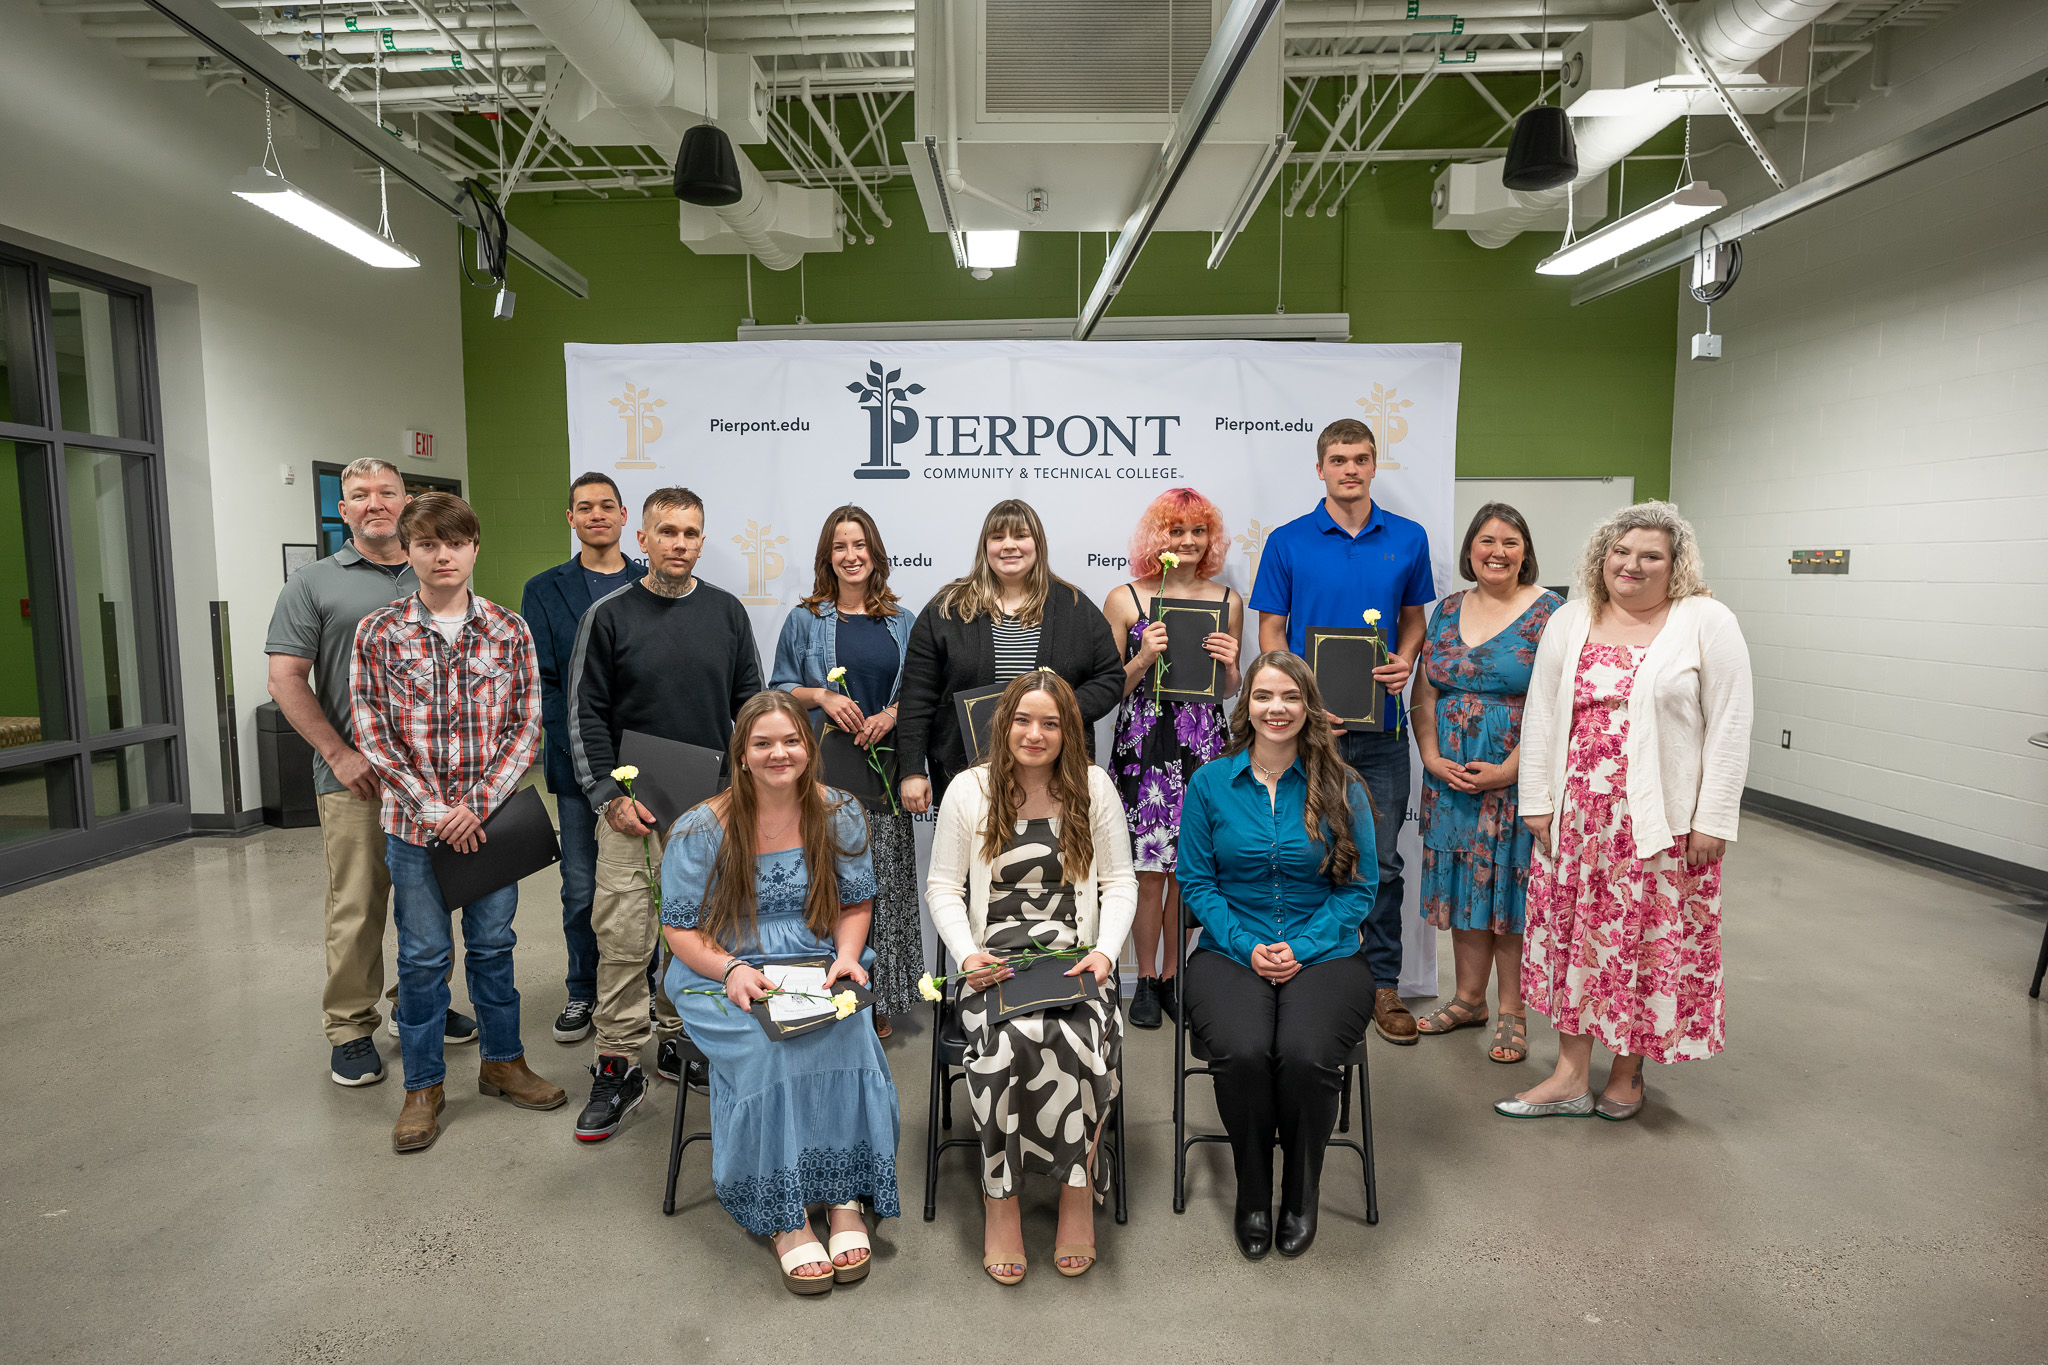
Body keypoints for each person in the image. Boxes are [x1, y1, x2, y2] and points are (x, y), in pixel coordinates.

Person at [1504, 500, 1753, 1121]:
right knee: (1578, 942)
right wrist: (1536, 798)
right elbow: (1540, 714)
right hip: (1578, 823)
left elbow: (1730, 724)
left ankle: (1626, 1069)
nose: (1632, 565)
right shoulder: (1571, 619)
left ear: (1676, 566)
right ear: (1602, 556)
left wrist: (1712, 818)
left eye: (1651, 556)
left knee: (1643, 943)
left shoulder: (1706, 621)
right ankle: (1567, 1074)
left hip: (1661, 826)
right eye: (1621, 551)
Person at [659, 690, 899, 1296]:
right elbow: (680, 929)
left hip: (817, 956)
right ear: (741, 754)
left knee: (849, 1027)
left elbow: (855, 903)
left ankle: (842, 1193)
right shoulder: (699, 827)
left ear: (809, 747)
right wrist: (731, 969)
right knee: (770, 1048)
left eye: (791, 740)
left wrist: (847, 956)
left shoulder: (840, 812)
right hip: (721, 968)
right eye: (762, 743)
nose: (778, 753)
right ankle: (786, 1216)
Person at [349, 493, 567, 1152]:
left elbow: (527, 725)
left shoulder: (508, 629)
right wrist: (436, 808)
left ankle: (503, 1062)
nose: (443, 556)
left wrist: (478, 802)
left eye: (456, 543)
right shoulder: (379, 631)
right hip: (416, 828)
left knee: (494, 948)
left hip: (491, 824)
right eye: (428, 544)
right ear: (408, 551)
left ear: (475, 547)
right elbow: (372, 728)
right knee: (420, 959)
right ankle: (423, 1086)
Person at [265, 456, 476, 1088]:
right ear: (343, 508)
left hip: (436, 781)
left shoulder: (435, 568)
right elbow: (285, 677)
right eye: (360, 495)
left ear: (407, 501)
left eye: (388, 492)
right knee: (358, 904)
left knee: (430, 905)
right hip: (358, 781)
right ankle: (351, 1025)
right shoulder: (313, 586)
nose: (375, 503)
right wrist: (338, 752)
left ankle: (419, 1006)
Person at [566, 486, 764, 1142]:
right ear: (642, 539)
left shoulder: (727, 613)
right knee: (625, 935)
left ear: (702, 540)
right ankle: (619, 1061)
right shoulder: (610, 614)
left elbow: (752, 708)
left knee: (703, 933)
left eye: (692, 533)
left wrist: (743, 792)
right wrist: (609, 797)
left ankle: (684, 1041)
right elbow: (584, 713)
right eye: (668, 532)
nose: (680, 543)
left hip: (708, 811)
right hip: (630, 808)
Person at [924, 670, 1135, 1284]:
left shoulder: (1094, 789)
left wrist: (1106, 955)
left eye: (1050, 723)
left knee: (1082, 1038)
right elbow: (943, 887)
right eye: (1023, 720)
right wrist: (966, 955)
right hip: (994, 962)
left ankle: (1077, 1193)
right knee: (1004, 1047)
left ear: (1070, 730)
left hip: (1078, 956)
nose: (1035, 734)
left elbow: (1121, 883)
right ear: (1003, 724)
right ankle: (1002, 1202)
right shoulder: (968, 790)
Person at [1178, 651, 1378, 1262]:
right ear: (1247, 707)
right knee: (1241, 1052)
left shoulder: (1344, 787)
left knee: (1304, 1053)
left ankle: (1301, 1187)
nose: (1277, 708)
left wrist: (1303, 945)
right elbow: (1196, 882)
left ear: (1308, 707)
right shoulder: (1210, 783)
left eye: (1290, 697)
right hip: (1230, 949)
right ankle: (1252, 1189)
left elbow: (1361, 889)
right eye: (1264, 696)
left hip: (1327, 953)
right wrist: (1246, 944)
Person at [1250, 418, 1434, 1045]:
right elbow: (1270, 632)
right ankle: (1308, 969)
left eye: (1360, 459)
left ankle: (1383, 985)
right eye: (1337, 459)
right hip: (1302, 733)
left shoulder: (1407, 538)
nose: (1349, 469)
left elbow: (1415, 622)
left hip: (1381, 731)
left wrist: (1407, 659)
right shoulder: (1287, 541)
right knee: (1300, 856)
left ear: (1374, 466)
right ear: (1320, 468)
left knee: (1379, 862)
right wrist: (1292, 698)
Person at [1411, 504, 1561, 1064]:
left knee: (1508, 893)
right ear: (1471, 549)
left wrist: (1510, 769)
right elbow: (1424, 695)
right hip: (1450, 778)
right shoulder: (1448, 609)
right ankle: (1469, 999)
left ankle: (1513, 1013)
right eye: (1486, 540)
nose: (1497, 551)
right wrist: (1430, 755)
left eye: (1511, 541)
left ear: (1526, 551)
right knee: (1462, 890)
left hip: (1517, 778)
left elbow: (1558, 707)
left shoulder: (1553, 613)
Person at [770, 505, 919, 1037]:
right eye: (840, 546)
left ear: (875, 554)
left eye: (859, 545)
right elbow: (779, 688)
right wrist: (822, 696)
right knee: (826, 882)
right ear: (826, 557)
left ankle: (878, 997)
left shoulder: (902, 621)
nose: (850, 556)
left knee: (879, 883)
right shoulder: (804, 619)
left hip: (883, 771)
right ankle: (823, 992)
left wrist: (893, 714)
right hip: (823, 774)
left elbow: (920, 695)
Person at [1102, 487, 1242, 1030]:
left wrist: (1232, 665)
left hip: (1203, 741)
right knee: (1145, 870)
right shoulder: (1125, 599)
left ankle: (1172, 975)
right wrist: (1143, 656)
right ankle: (1142, 981)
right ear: (1155, 538)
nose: (1185, 541)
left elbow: (1230, 690)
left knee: (1189, 867)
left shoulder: (1227, 600)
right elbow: (1108, 690)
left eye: (1197, 531)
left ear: (1211, 538)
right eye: (1174, 531)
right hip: (1143, 742)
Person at [520, 472, 645, 1046]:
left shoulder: (653, 582)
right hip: (577, 766)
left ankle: (647, 987)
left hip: (649, 764)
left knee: (652, 882)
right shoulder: (545, 590)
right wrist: (579, 747)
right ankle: (582, 988)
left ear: (625, 519)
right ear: (570, 518)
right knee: (581, 885)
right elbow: (543, 680)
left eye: (607, 506)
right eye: (584, 507)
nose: (597, 515)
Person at [895, 499, 1123, 816]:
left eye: (1020, 536)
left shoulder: (1073, 606)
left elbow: (1111, 678)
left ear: (1037, 544)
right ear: (985, 546)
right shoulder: (946, 609)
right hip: (966, 776)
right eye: (998, 537)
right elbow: (917, 696)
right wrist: (911, 770)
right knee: (965, 865)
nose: (1009, 546)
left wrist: (1059, 709)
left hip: (1055, 780)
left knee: (1053, 864)